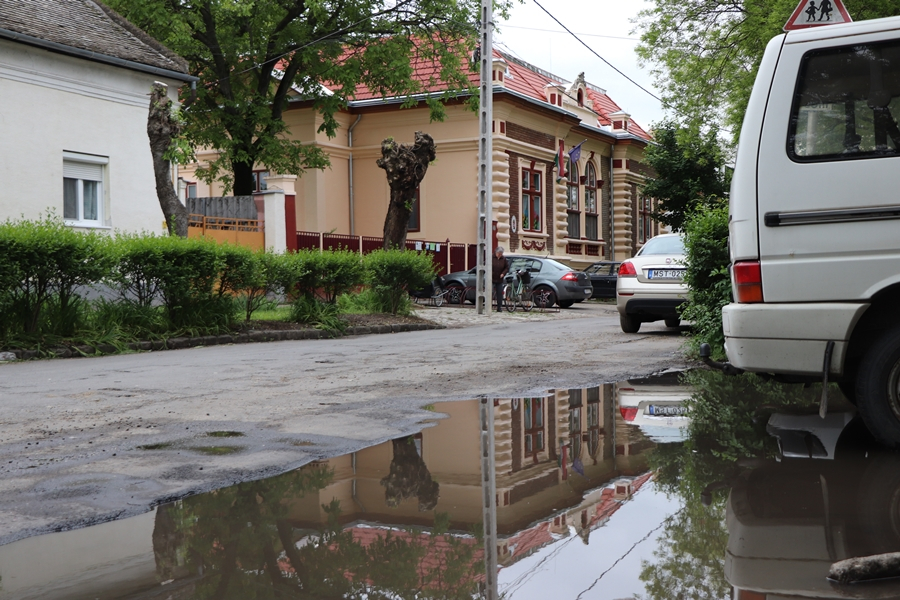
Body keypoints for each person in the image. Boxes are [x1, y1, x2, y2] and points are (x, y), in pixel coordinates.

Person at [492, 246, 509, 312]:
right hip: (492, 278)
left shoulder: (503, 259)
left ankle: (499, 307)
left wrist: (503, 273)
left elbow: (506, 268)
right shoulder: (491, 257)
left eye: (501, 254)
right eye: (499, 253)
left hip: (499, 279)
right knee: (490, 292)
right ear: (496, 252)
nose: (500, 255)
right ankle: (488, 306)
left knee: (500, 293)